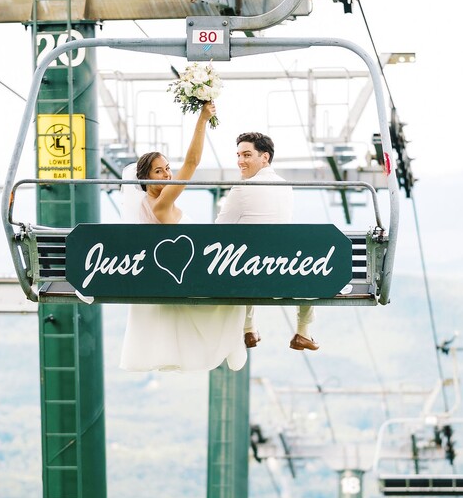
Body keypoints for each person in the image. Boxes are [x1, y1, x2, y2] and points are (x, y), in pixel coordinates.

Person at [119, 102, 247, 372]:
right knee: (238, 285)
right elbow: (192, 163)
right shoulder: (160, 204)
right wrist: (203, 119)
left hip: (184, 270)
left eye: (167, 168)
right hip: (188, 276)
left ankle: (241, 335)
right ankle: (240, 335)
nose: (167, 174)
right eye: (159, 171)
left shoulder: (151, 204)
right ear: (144, 179)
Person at [215, 131, 319, 352]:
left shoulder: (241, 188)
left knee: (240, 257)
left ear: (265, 157)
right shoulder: (286, 187)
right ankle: (303, 332)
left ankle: (248, 329)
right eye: (238, 155)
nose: (240, 161)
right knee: (311, 265)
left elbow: (219, 229)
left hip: (247, 276)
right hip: (282, 273)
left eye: (246, 155)